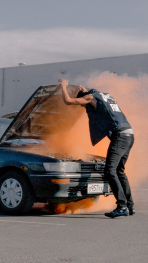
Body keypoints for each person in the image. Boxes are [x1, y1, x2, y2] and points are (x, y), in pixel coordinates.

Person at [59, 79, 135, 218]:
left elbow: (68, 101)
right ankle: (129, 205)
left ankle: (122, 206)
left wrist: (63, 86)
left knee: (110, 170)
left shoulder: (90, 98)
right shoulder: (105, 96)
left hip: (120, 136)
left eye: (84, 105)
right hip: (129, 134)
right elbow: (91, 93)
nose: (85, 107)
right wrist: (83, 88)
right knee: (119, 171)